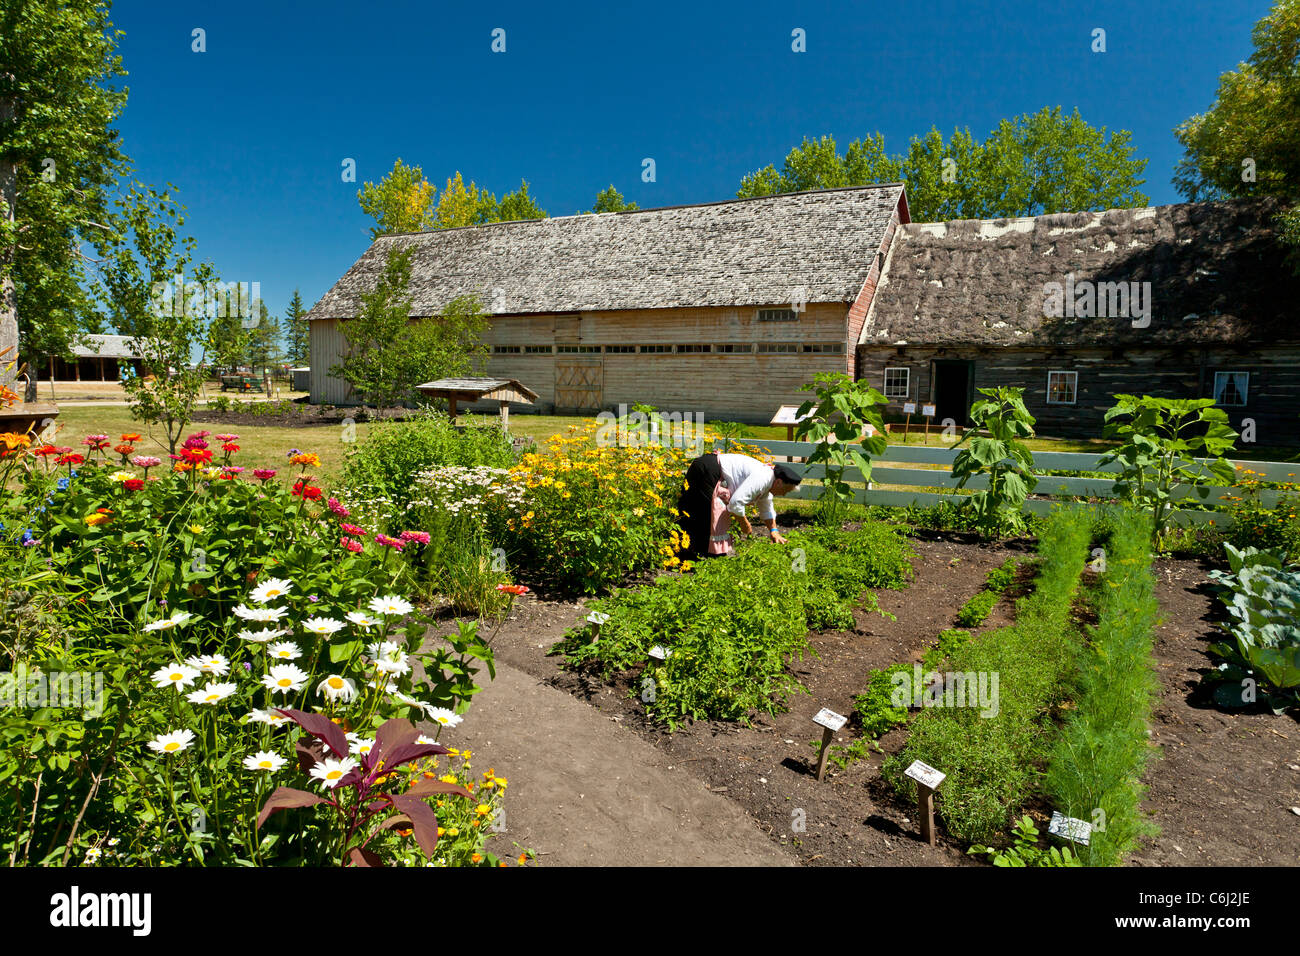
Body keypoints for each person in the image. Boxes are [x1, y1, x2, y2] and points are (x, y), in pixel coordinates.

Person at [676, 451, 801, 559]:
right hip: (707, 469)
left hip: (710, 468)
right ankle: (693, 553)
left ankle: (695, 552)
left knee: (702, 512)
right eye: (786, 490)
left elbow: (766, 507)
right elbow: (736, 502)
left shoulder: (769, 482)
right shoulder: (763, 478)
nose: (784, 495)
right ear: (779, 482)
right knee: (704, 513)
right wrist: (744, 522)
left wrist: (774, 531)